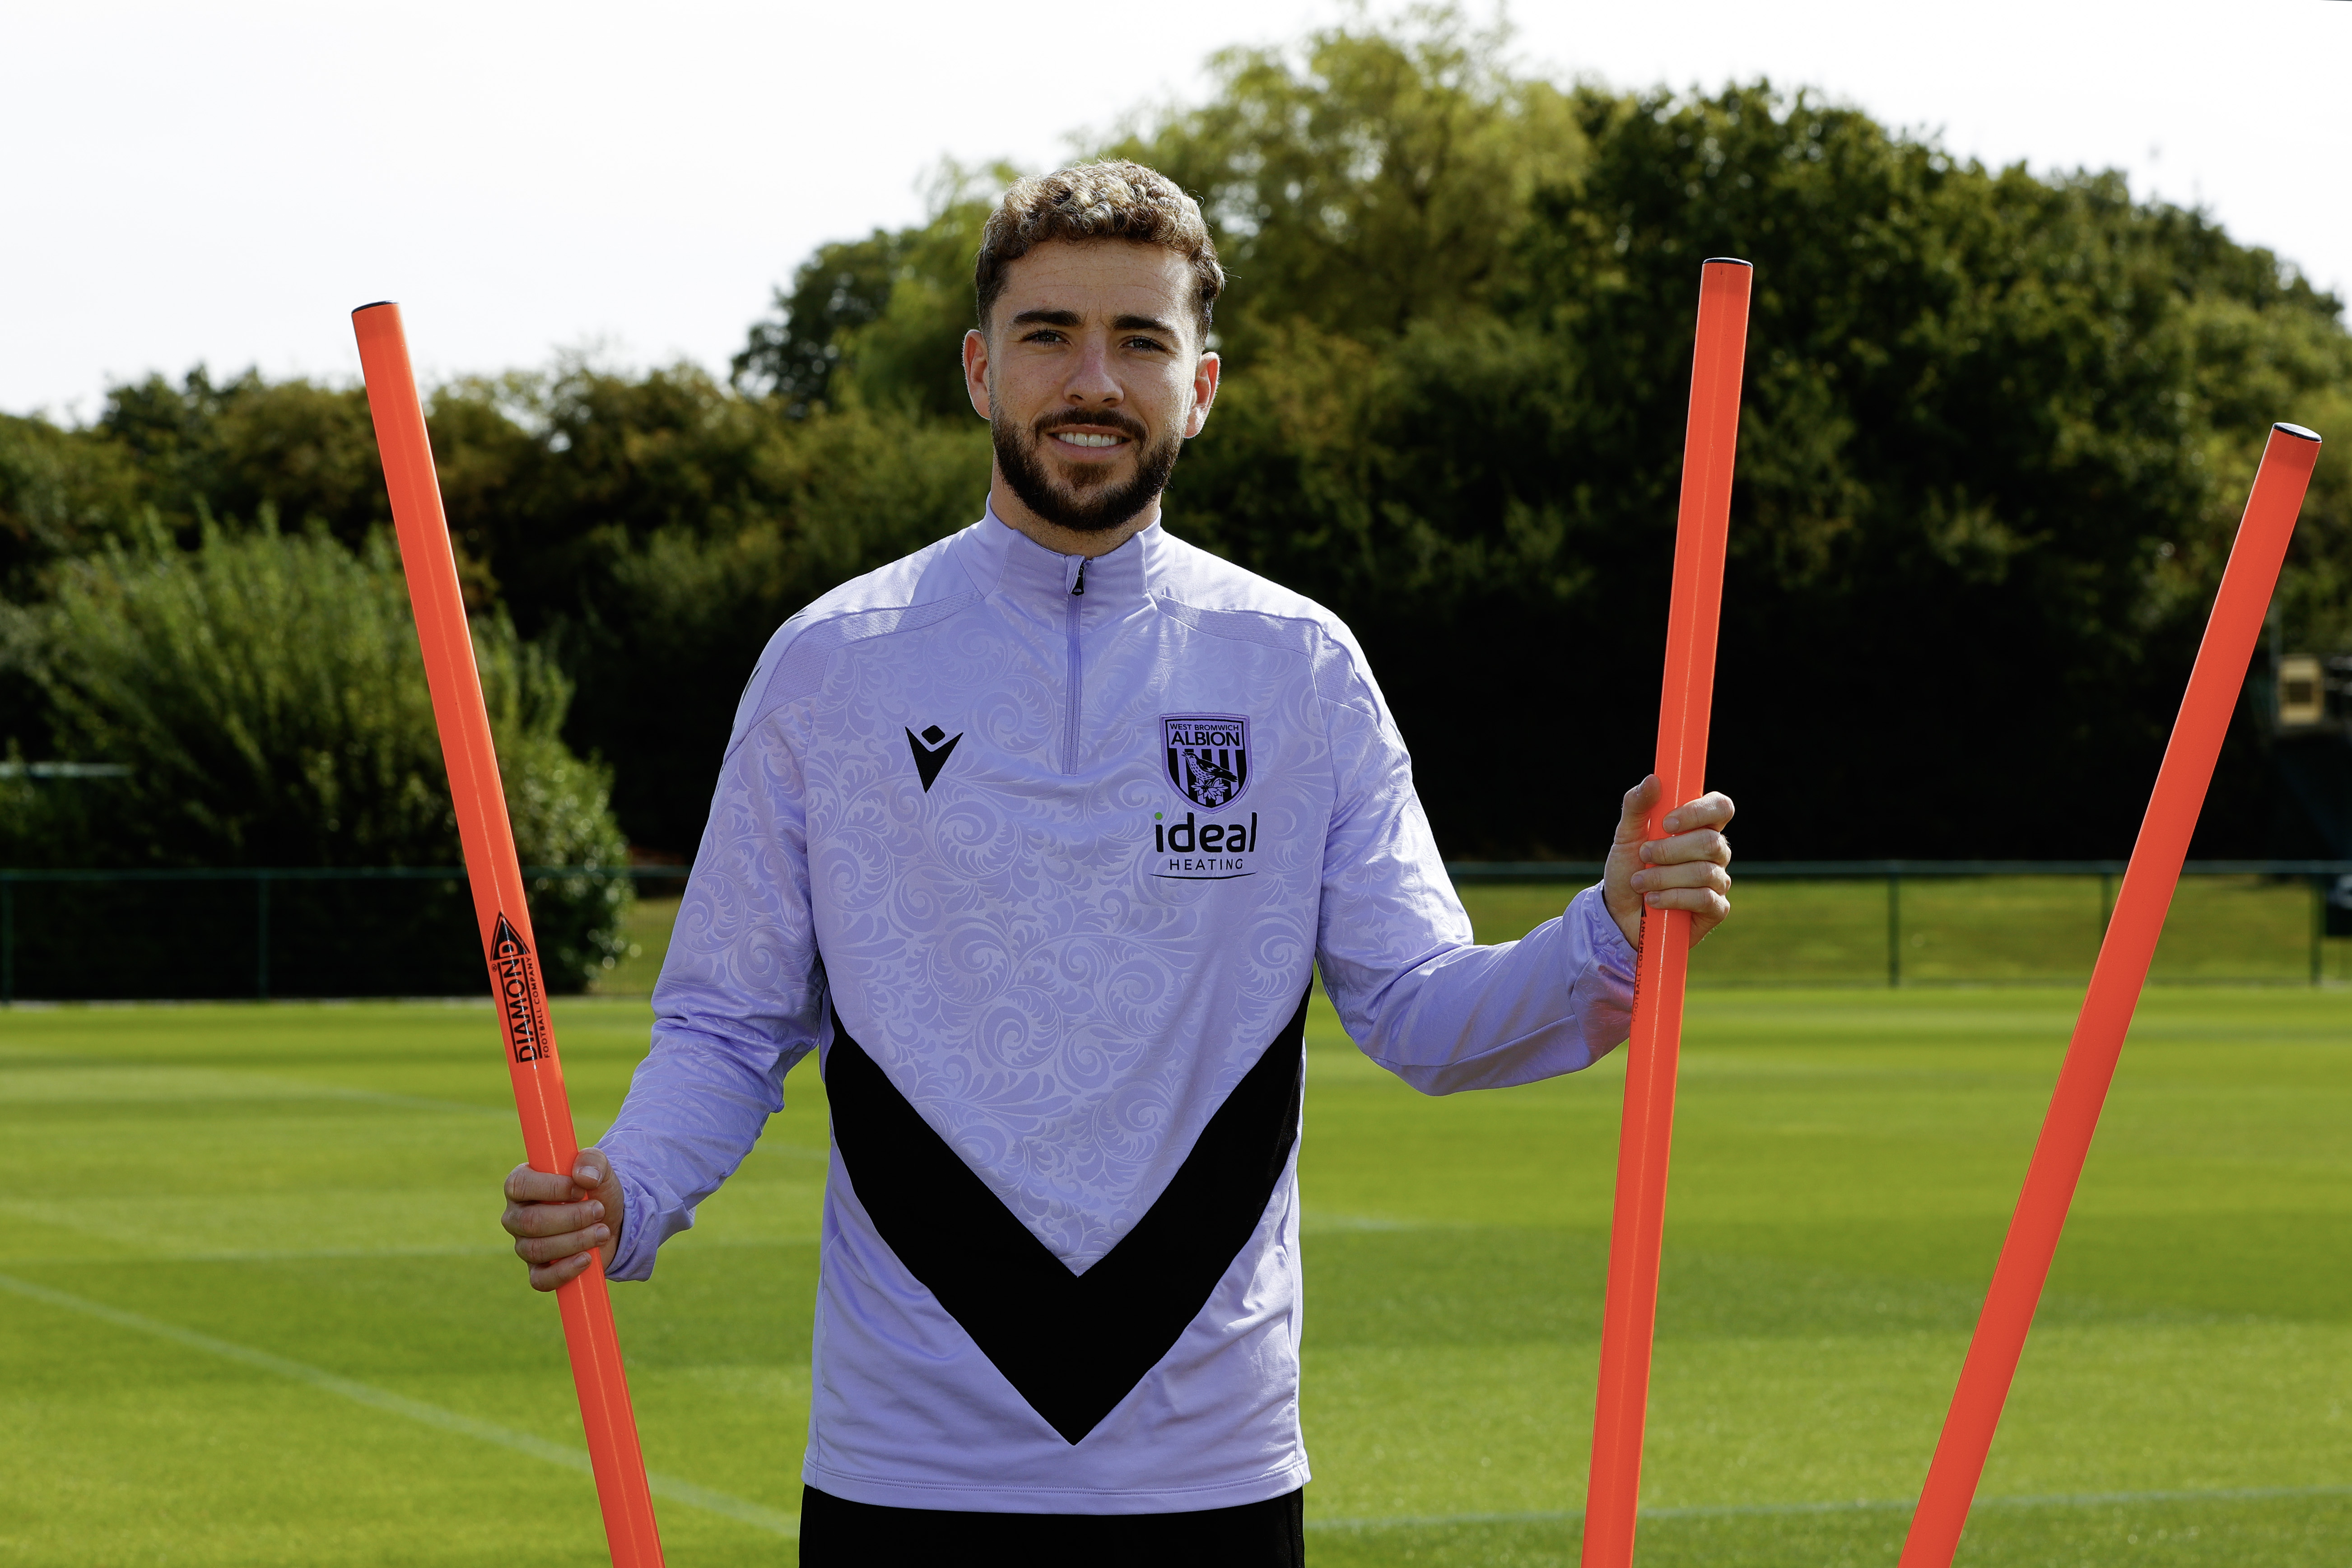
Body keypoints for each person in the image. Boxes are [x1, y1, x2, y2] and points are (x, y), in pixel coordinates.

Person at [501, 160, 1734, 1566]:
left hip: (1208, 1473)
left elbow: (1423, 1010)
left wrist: (1611, 926)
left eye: (1140, 340)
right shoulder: (829, 665)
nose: (1092, 377)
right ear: (980, 368)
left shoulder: (1299, 665)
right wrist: (628, 1187)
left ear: (1200, 384)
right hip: (908, 1471)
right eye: (1048, 335)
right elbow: (727, 1022)